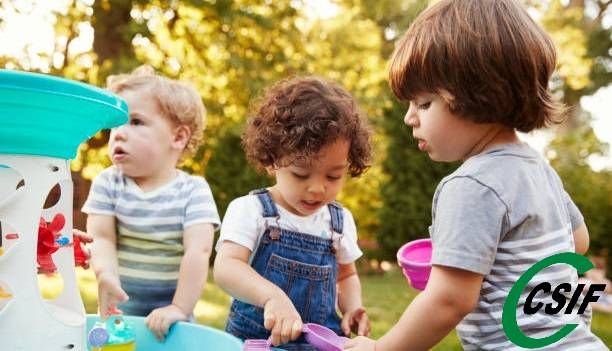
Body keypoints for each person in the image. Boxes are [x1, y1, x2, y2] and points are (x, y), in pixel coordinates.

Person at [345, 1, 607, 350]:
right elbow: (578, 242)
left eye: (424, 103)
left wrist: (380, 348)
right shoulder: (537, 168)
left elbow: (449, 301)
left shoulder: (470, 185)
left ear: (478, 94)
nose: (410, 117)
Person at [214, 77, 372, 350]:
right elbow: (227, 267)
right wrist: (271, 297)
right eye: (301, 174)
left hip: (320, 343)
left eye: (334, 176)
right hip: (259, 341)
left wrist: (353, 307)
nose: (317, 189)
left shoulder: (339, 221)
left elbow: (346, 275)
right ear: (272, 160)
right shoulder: (251, 211)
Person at [82, 65, 220, 340]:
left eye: (135, 122)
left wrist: (179, 308)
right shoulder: (108, 183)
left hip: (172, 319)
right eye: (115, 125)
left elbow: (198, 251)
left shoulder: (193, 191)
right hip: (121, 314)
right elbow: (102, 238)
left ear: (178, 137)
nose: (119, 133)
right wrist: (105, 274)